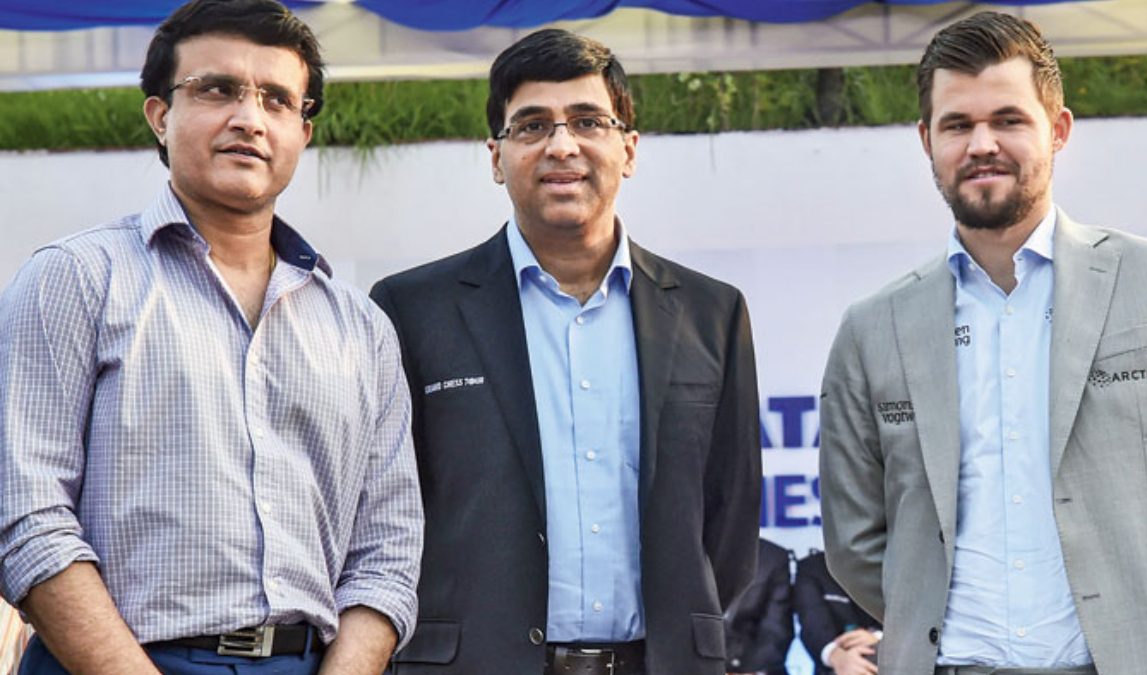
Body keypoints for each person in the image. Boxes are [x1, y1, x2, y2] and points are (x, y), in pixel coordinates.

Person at [0, 1, 423, 673]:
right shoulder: (75, 279)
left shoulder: (361, 328)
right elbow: (25, 515)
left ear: (302, 132)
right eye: (218, 89)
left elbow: (388, 551)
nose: (250, 118)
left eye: (278, 100)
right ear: (160, 116)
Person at [818, 10, 1147, 675]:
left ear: (1057, 130)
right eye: (958, 125)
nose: (981, 143)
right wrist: (930, 609)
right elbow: (854, 541)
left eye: (1008, 120)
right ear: (925, 139)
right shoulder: (872, 327)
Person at [370, 28, 762, 675]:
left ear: (629, 149)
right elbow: (387, 514)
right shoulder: (413, 309)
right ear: (495, 157)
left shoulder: (712, 314)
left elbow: (729, 521)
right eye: (531, 126)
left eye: (587, 121)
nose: (561, 145)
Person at [792, 551, 881, 675]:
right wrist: (837, 656)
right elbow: (811, 621)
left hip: (893, 658)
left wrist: (880, 638)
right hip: (834, 663)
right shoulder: (811, 566)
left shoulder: (892, 563)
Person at [724, 539, 794, 675]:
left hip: (754, 665)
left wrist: (743, 668)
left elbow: (776, 627)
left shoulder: (773, 557)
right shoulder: (682, 550)